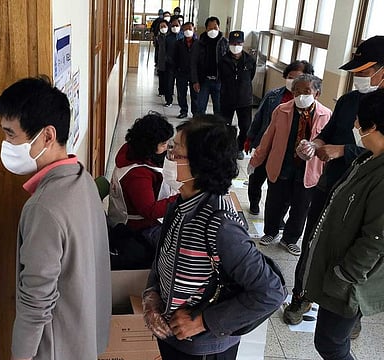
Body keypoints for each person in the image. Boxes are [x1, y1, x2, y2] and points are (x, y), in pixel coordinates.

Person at [142, 116, 286, 360]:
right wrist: (152, 294)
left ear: (201, 165)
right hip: (172, 339)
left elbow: (271, 292)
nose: (168, 156)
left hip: (204, 348)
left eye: (176, 150)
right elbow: (165, 258)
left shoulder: (221, 224)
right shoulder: (180, 205)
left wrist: (203, 321)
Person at [0, 76, 111, 360]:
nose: (6, 144)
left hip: (56, 348)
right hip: (85, 337)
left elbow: (35, 303)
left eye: (11, 134)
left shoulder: (43, 208)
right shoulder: (81, 178)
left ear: (47, 135)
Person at [283, 35, 384, 327]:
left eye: (364, 72)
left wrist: (344, 150)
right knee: (314, 239)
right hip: (333, 185)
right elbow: (328, 132)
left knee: (355, 252)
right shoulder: (350, 101)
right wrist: (314, 144)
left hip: (365, 195)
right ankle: (302, 295)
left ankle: (352, 315)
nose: (357, 78)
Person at [302, 89, 384, 360]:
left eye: (359, 122)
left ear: (372, 126)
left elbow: (375, 239)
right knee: (329, 340)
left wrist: (344, 276)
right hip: (339, 272)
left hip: (350, 280)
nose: (354, 127)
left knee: (331, 343)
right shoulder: (367, 158)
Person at [249, 74, 332, 256]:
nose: (301, 95)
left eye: (306, 91)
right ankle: (270, 231)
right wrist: (256, 161)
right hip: (282, 165)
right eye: (297, 91)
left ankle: (290, 239)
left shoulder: (326, 115)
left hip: (308, 170)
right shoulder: (281, 110)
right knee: (275, 201)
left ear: (316, 93)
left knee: (301, 206)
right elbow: (268, 138)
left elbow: (327, 144)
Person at [246, 60, 314, 215]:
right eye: (290, 77)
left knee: (280, 185)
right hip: (265, 144)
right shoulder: (273, 96)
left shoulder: (309, 103)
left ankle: (278, 215)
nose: (293, 81)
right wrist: (250, 138)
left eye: (297, 77)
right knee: (256, 177)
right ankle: (254, 202)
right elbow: (259, 118)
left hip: (286, 151)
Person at [108, 112, 178, 250]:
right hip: (135, 229)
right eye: (163, 144)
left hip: (134, 219)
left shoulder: (131, 150)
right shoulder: (138, 175)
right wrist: (181, 199)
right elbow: (149, 211)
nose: (167, 147)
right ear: (150, 145)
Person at [218, 30, 256, 160]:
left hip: (244, 100)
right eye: (233, 43)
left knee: (245, 127)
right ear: (229, 44)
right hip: (227, 98)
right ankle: (226, 148)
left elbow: (251, 76)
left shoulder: (250, 60)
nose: (236, 46)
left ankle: (239, 148)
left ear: (243, 43)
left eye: (238, 43)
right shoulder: (223, 60)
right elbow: (221, 77)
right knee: (225, 126)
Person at [191, 16, 227, 115]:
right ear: (206, 29)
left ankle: (217, 129)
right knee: (200, 109)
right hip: (204, 81)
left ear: (219, 28)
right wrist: (195, 81)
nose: (213, 30)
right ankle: (200, 129)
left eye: (215, 28)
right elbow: (193, 63)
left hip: (219, 81)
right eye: (210, 28)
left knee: (219, 109)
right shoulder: (199, 43)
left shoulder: (224, 43)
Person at [174, 21, 199, 119]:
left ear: (194, 29)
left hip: (194, 73)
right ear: (182, 31)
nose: (188, 31)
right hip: (181, 72)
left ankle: (195, 113)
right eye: (185, 29)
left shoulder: (199, 43)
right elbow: (174, 57)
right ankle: (183, 111)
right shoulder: (179, 43)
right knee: (181, 93)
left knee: (195, 94)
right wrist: (176, 70)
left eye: (190, 29)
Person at [156, 19, 171, 99]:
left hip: (169, 60)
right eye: (161, 27)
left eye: (164, 26)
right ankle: (161, 91)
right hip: (161, 59)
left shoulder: (171, 36)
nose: (163, 28)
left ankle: (168, 92)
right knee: (161, 76)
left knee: (168, 78)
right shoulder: (159, 37)